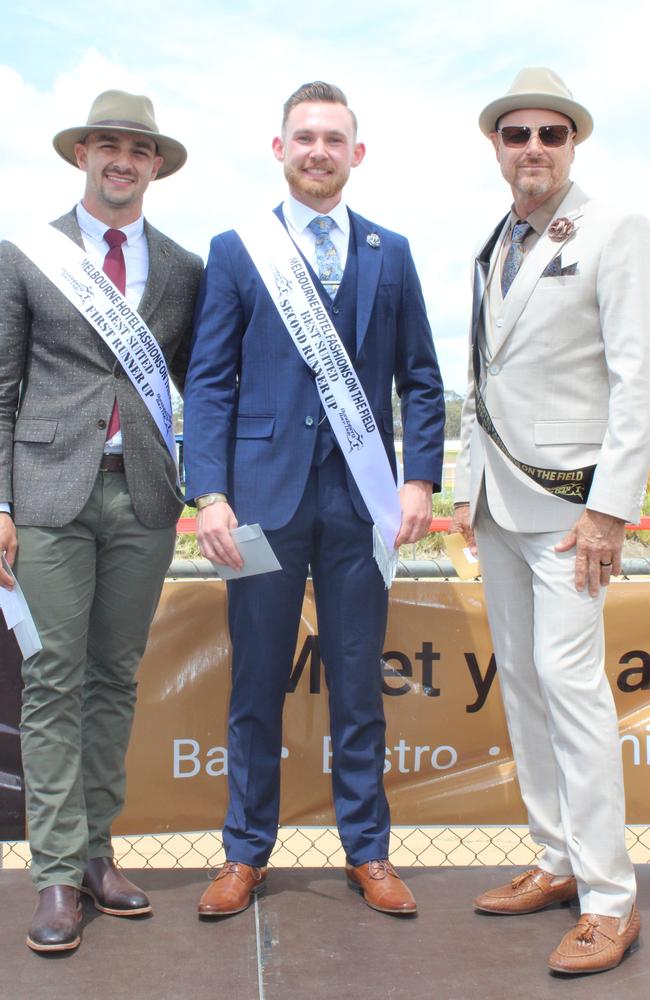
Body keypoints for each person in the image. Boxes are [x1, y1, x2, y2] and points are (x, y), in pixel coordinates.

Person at [183, 81, 445, 918]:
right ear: (280, 149)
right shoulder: (236, 249)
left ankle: (367, 851)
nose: (319, 151)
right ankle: (244, 854)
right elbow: (210, 381)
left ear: (356, 154)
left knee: (359, 684)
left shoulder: (390, 252)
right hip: (260, 502)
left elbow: (423, 381)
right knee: (255, 683)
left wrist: (418, 479)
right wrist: (211, 493)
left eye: (335, 139)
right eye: (305, 138)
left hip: (360, 506)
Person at [452, 67, 650, 974]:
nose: (533, 148)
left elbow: (635, 382)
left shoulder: (616, 228)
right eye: (517, 134)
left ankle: (611, 897)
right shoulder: (494, 242)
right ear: (497, 147)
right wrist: (467, 487)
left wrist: (611, 511)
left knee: (571, 692)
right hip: (498, 502)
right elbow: (484, 383)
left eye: (551, 134)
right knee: (526, 689)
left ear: (574, 144)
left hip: (575, 513)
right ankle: (557, 860)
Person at [0, 90, 203, 952]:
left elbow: (204, 388)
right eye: (108, 144)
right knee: (52, 682)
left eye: (139, 148)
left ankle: (94, 855)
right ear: (82, 153)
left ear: (156, 164)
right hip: (47, 496)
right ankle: (52, 876)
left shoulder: (187, 269)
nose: (124, 159)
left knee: (115, 681)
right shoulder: (24, 256)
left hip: (144, 498)